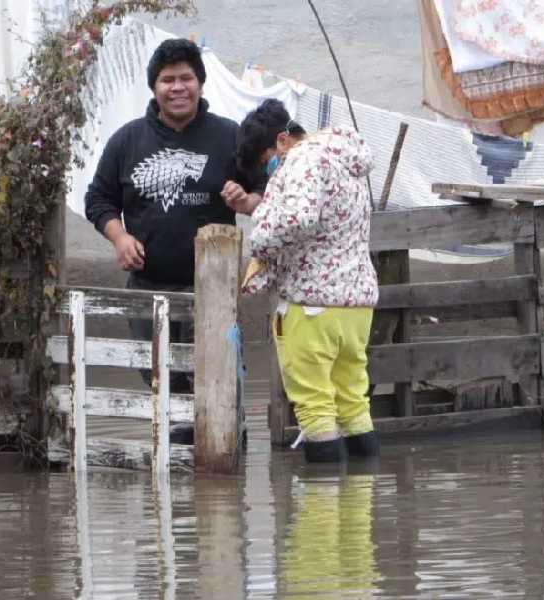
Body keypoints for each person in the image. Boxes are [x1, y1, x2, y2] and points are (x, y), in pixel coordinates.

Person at [85, 39, 258, 437]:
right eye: (168, 80)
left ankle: (226, 451)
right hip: (148, 288)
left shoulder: (229, 137)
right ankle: (182, 459)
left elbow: (263, 192)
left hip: (211, 289)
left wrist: (245, 199)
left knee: (217, 384)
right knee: (163, 382)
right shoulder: (127, 140)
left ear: (200, 83)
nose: (178, 87)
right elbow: (98, 200)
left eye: (186, 78)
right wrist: (119, 237)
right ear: (154, 87)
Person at [224, 99, 380, 463]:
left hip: (312, 305)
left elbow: (298, 219)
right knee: (353, 402)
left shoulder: (301, 159)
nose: (272, 171)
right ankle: (362, 494)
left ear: (282, 141)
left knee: (315, 408)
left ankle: (322, 499)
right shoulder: (342, 159)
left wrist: (260, 239)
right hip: (356, 305)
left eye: (268, 162)